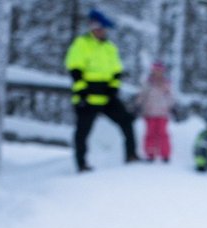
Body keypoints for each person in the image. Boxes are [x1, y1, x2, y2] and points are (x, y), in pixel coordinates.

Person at [64, 8, 139, 172]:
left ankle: (131, 155)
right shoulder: (81, 44)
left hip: (107, 96)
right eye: (99, 28)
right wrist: (82, 91)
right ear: (92, 28)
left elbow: (116, 70)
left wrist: (113, 88)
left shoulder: (109, 47)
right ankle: (81, 164)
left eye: (104, 29)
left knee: (126, 121)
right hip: (87, 96)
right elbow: (75, 69)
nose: (102, 31)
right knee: (83, 131)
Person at [136, 61, 174, 162]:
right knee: (150, 134)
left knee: (163, 134)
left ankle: (165, 154)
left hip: (162, 113)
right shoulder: (147, 83)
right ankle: (150, 154)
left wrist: (172, 106)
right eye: (156, 70)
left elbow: (171, 97)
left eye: (160, 70)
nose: (158, 72)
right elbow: (142, 95)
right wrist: (138, 105)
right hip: (149, 113)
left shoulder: (166, 83)